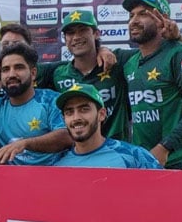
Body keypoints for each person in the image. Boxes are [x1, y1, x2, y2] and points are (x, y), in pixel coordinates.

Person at [122, 0, 182, 169]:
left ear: (162, 19)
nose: (134, 21)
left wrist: (165, 147)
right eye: (131, 15)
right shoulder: (129, 62)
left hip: (178, 161)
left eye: (143, 14)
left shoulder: (180, 54)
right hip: (141, 162)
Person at [0, 43, 71, 165]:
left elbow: (66, 136)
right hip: (10, 181)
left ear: (33, 73)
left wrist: (25, 144)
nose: (11, 74)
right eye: (5, 70)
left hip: (52, 178)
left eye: (19, 67)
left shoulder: (51, 100)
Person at [51, 10, 131, 141]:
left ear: (96, 34)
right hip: (80, 155)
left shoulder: (117, 62)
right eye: (70, 33)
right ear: (65, 40)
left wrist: (177, 37)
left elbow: (149, 52)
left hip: (119, 153)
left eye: (82, 30)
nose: (76, 37)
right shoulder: (58, 74)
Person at [53, 83, 161, 168]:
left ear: (101, 114)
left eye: (84, 109)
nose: (76, 118)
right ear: (64, 119)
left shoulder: (134, 156)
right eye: (69, 112)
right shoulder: (59, 167)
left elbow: (164, 192)